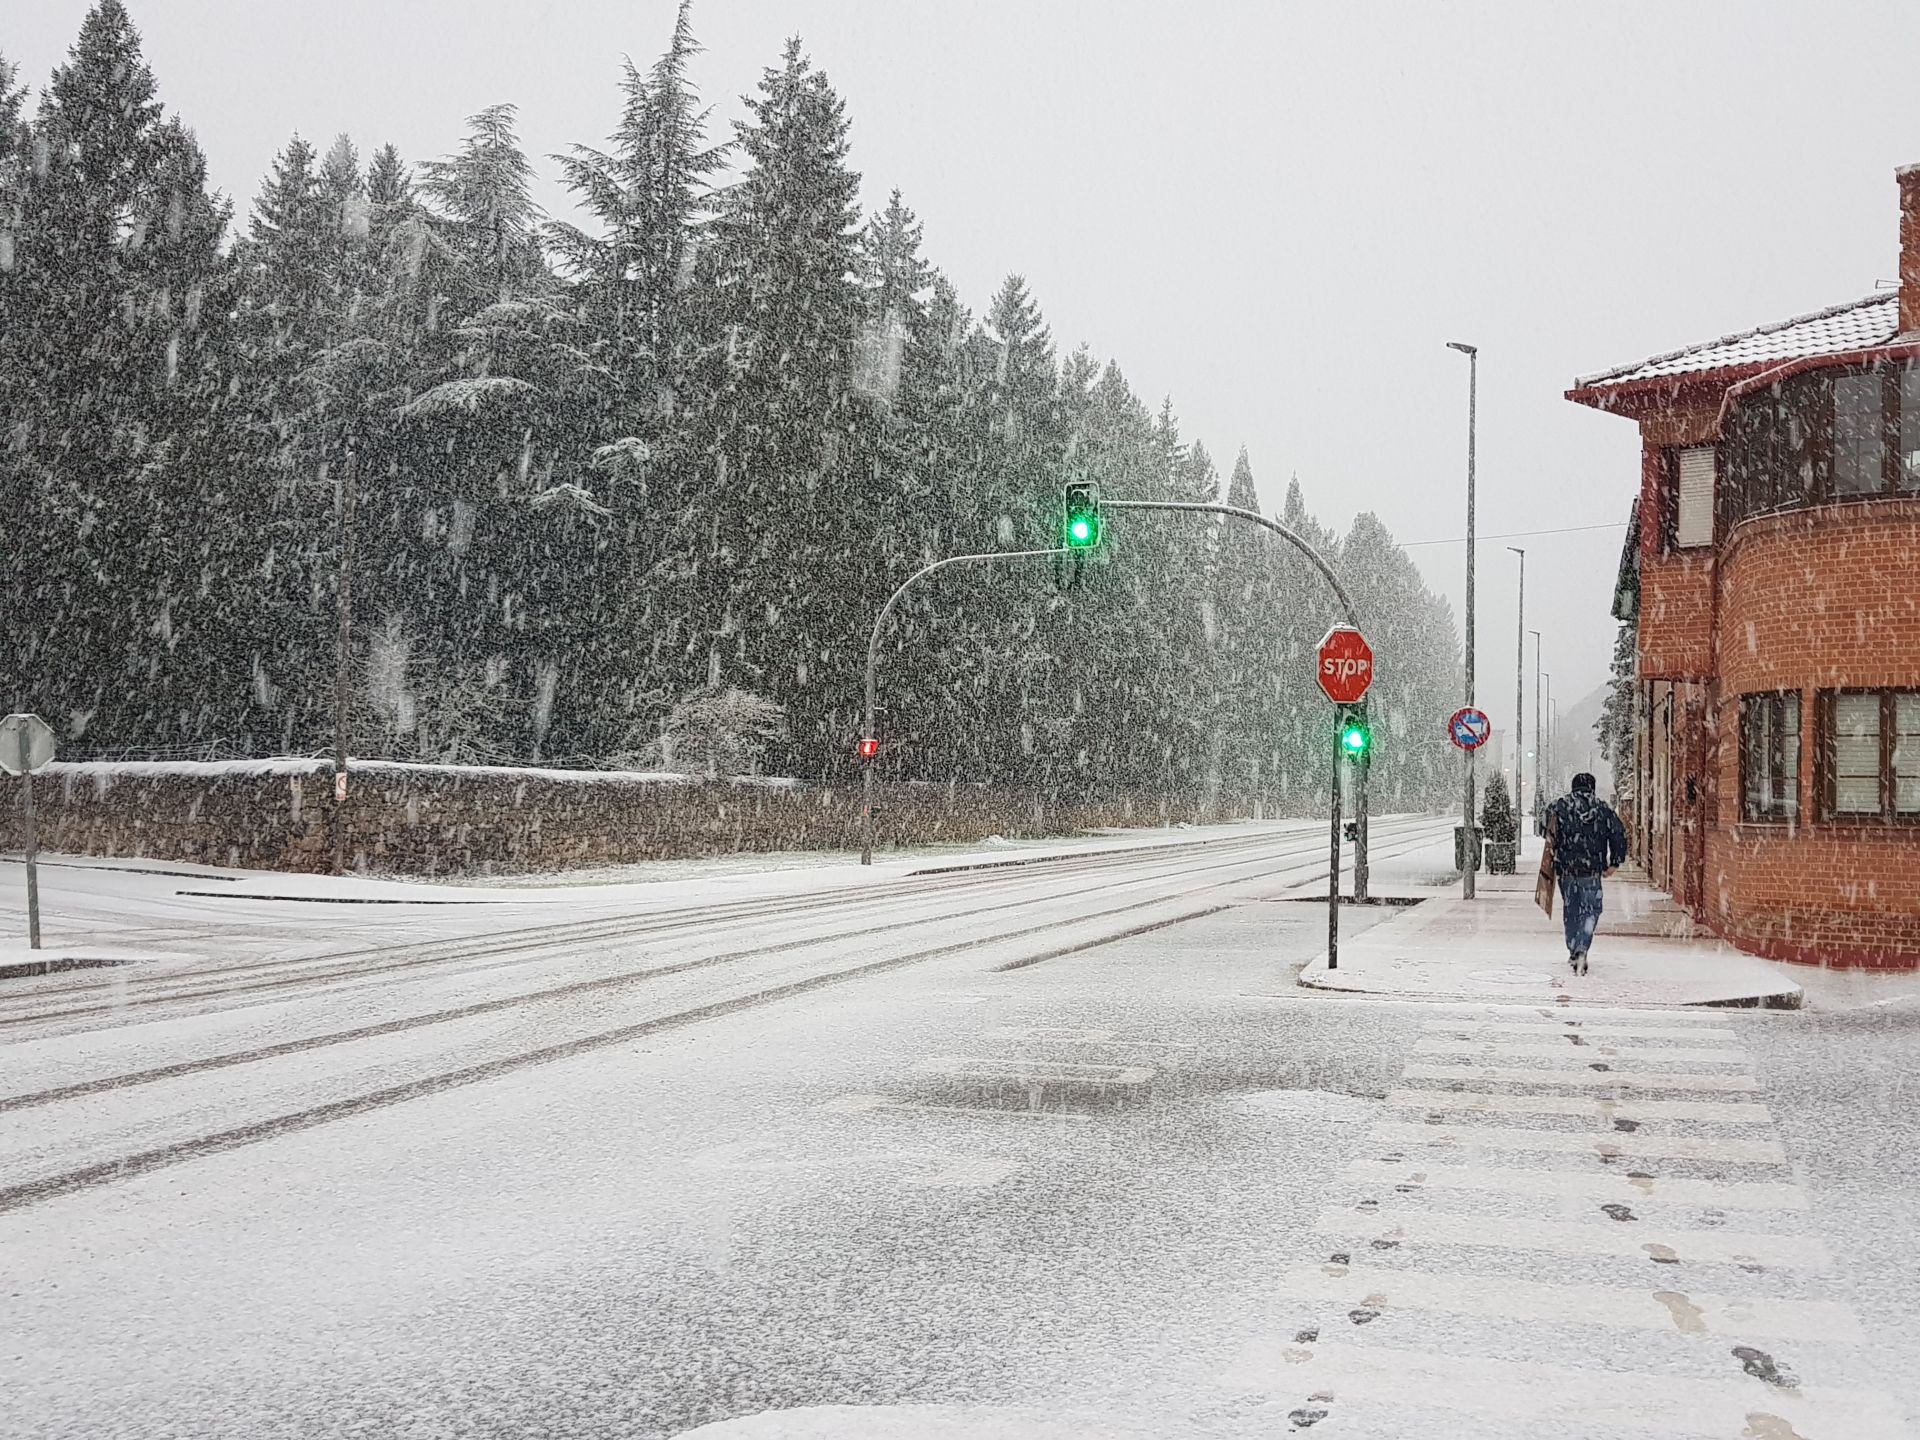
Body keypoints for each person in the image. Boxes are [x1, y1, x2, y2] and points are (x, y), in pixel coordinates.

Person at [1546, 772, 1628, 975]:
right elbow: (1618, 834)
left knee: (1571, 910)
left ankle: (1573, 948)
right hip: (1591, 870)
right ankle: (1583, 945)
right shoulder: (1602, 809)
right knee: (1590, 911)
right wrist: (1615, 862)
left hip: (1566, 870)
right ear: (1592, 787)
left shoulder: (1560, 807)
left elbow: (1545, 829)